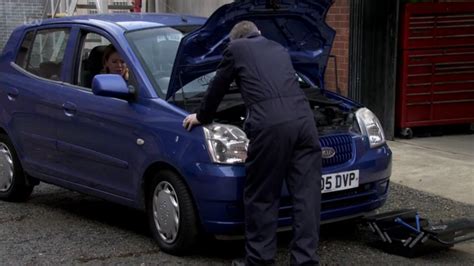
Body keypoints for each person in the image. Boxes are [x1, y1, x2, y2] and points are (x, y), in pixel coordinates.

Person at [183, 21, 322, 265]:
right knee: (306, 196)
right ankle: (305, 260)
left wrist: (201, 116)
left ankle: (259, 260)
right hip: (304, 122)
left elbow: (217, 87)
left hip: (271, 126)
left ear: (235, 39)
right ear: (258, 32)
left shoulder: (235, 50)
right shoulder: (278, 48)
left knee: (262, 195)